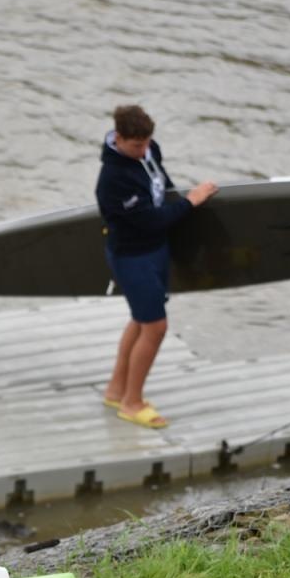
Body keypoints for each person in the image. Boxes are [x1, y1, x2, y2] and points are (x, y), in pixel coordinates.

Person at [94, 104, 218, 427]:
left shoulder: (148, 150)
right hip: (131, 257)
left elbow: (162, 187)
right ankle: (132, 403)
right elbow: (149, 221)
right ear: (118, 139)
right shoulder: (112, 179)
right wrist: (191, 201)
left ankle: (116, 389)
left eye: (147, 143)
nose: (144, 150)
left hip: (156, 251)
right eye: (136, 145)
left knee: (140, 320)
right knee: (155, 326)